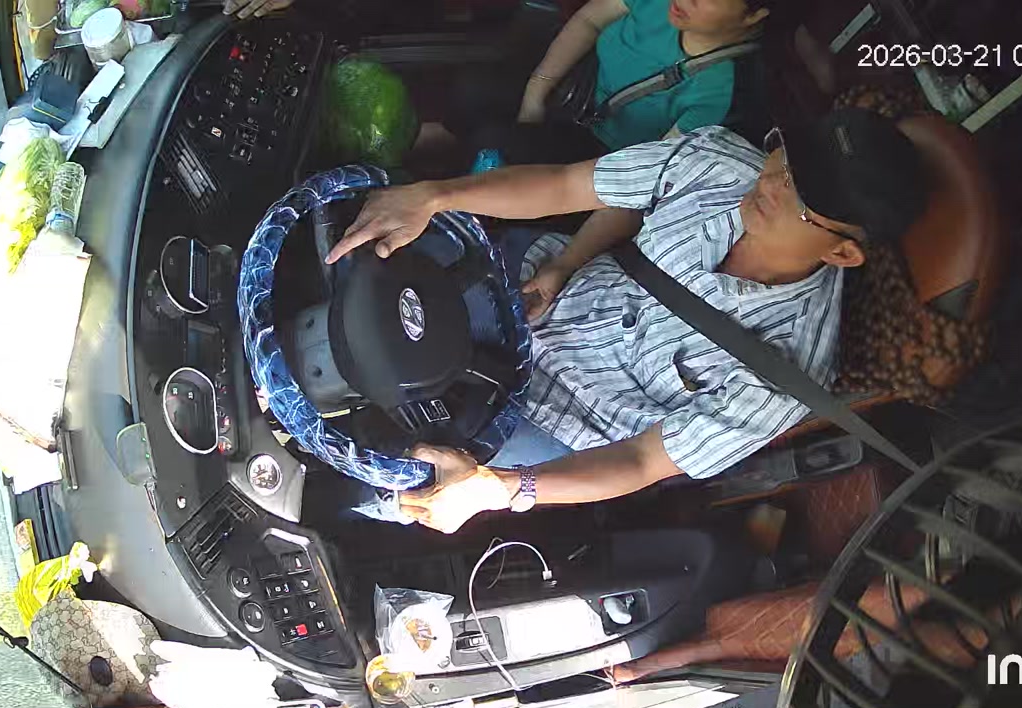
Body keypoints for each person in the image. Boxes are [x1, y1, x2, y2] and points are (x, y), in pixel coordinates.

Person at [326, 109, 928, 534]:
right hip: (532, 288)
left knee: (387, 483)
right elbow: (568, 184)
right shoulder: (717, 163)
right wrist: (436, 197)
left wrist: (500, 488)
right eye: (786, 160)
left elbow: (641, 462)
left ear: (842, 252)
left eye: (803, 198)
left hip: (559, 413)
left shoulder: (784, 373)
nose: (773, 183)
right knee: (351, 269)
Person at [439, 0, 775, 166]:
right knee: (470, 88)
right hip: (576, 93)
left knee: (494, 148)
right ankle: (450, 144)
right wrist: (535, 94)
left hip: (601, 156)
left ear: (754, 15)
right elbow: (589, 20)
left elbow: (651, 171)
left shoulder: (722, 90)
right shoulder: (668, 6)